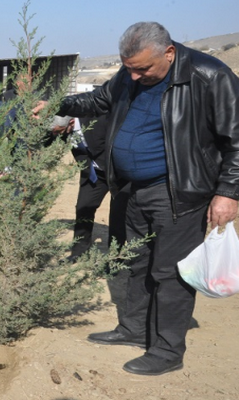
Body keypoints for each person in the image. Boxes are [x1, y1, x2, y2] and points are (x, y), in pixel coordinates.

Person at [35, 21, 239, 376]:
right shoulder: (132, 73)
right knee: (135, 261)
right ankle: (133, 328)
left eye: (142, 69)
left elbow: (235, 140)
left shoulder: (209, 76)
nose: (134, 76)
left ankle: (167, 349)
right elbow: (99, 99)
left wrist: (228, 193)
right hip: (131, 189)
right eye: (128, 68)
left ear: (169, 53)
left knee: (170, 273)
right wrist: (57, 103)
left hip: (178, 191)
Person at [69, 114, 127, 260]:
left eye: (58, 130)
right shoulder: (63, 127)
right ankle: (79, 253)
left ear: (70, 122)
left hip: (118, 173)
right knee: (83, 207)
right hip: (94, 173)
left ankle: (115, 258)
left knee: (118, 215)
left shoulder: (98, 119)